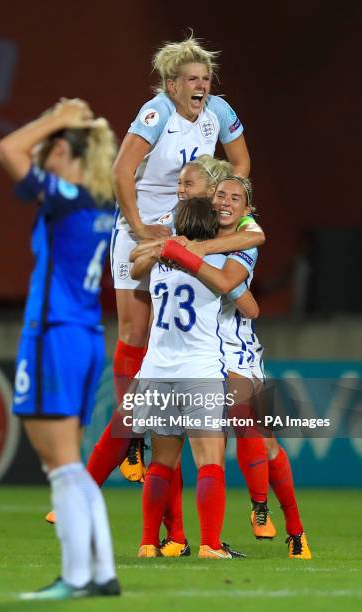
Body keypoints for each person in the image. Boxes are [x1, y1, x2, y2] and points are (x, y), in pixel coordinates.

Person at [86, 34, 253, 486]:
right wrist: (140, 228)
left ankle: (166, 435)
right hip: (140, 221)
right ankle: (132, 438)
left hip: (185, 218)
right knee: (134, 331)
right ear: (171, 85)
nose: (201, 86)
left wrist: (217, 204)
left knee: (174, 328)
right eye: (191, 79)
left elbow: (240, 162)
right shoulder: (156, 114)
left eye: (205, 78)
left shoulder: (218, 110)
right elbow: (122, 170)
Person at [0, 98, 121, 599]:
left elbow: (8, 149)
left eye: (51, 150)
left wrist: (58, 120)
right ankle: (102, 572)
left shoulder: (68, 197)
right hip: (85, 335)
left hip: (53, 333)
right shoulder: (103, 203)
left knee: (62, 463)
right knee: (70, 461)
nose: (43, 157)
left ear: (67, 154)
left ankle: (75, 578)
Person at [163, 176, 312, 560]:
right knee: (189, 445)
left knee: (260, 435)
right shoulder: (192, 224)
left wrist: (192, 255)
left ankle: (289, 526)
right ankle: (183, 537)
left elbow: (247, 302)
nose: (226, 201)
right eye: (220, 194)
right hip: (195, 348)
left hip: (236, 348)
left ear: (246, 210)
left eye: (235, 197)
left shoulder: (245, 235)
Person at [131, 196, 258, 559]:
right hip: (199, 372)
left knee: (161, 463)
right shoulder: (217, 262)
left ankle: (146, 544)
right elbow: (250, 308)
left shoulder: (159, 263)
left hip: (156, 372)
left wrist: (162, 248)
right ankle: (210, 545)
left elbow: (134, 263)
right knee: (210, 461)